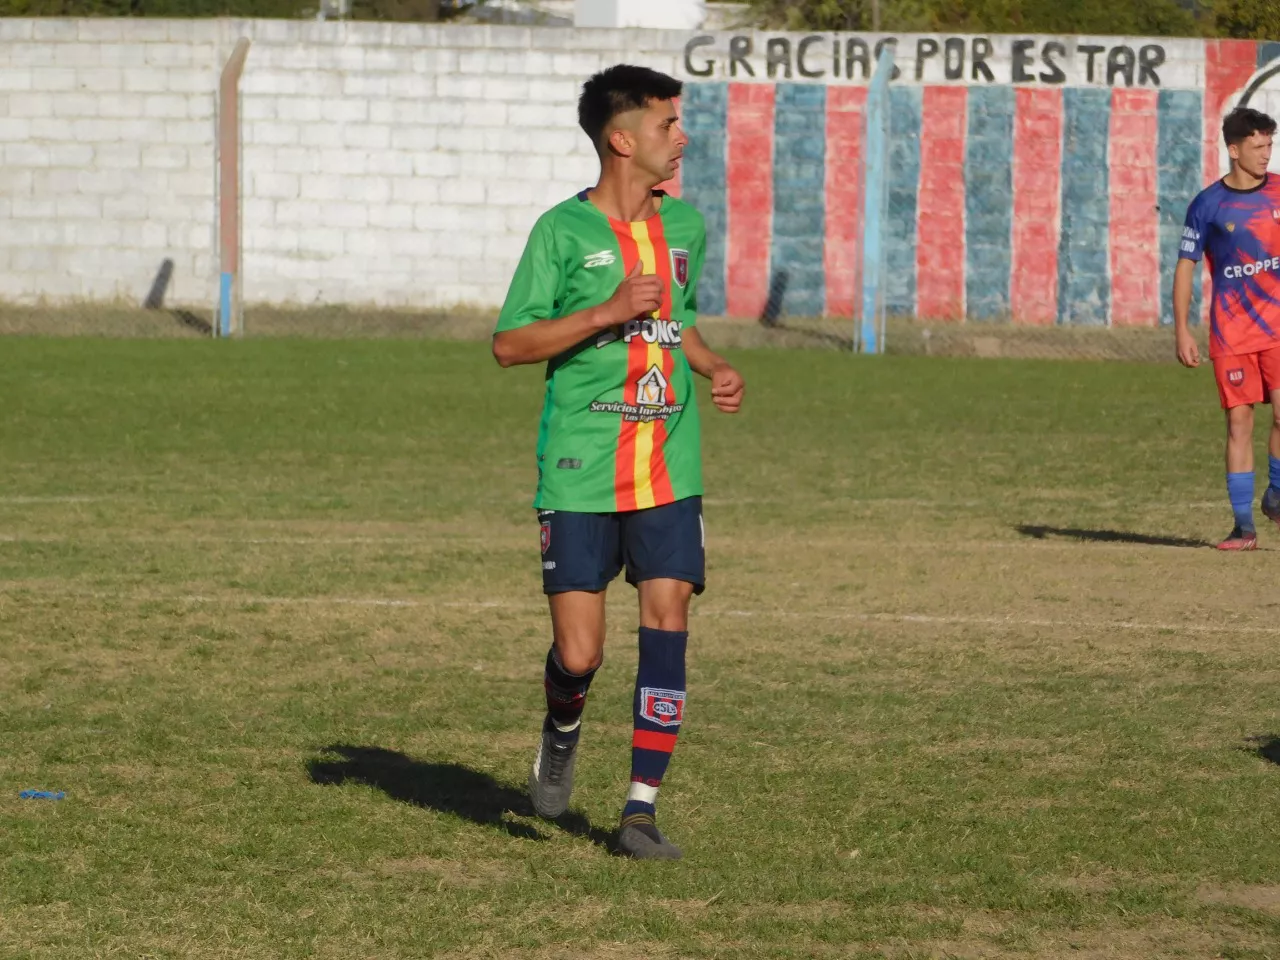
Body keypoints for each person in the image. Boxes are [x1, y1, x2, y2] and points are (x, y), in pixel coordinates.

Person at [491, 64, 746, 859]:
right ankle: (562, 725)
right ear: (621, 138)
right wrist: (603, 312)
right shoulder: (561, 234)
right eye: (670, 125)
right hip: (579, 467)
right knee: (581, 653)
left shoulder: (688, 229)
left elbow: (682, 320)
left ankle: (640, 810)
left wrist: (711, 366)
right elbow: (509, 344)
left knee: (668, 619)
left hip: (670, 463)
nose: (684, 137)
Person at [1175, 106, 1280, 550]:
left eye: (1270, 146)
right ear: (1234, 150)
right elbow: (1185, 267)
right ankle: (1244, 529)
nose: (1266, 155)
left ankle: (1275, 495)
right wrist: (1181, 329)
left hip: (1278, 328)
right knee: (1239, 424)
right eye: (1258, 147)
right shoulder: (1208, 205)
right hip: (1232, 333)